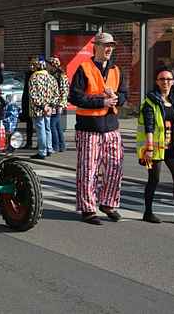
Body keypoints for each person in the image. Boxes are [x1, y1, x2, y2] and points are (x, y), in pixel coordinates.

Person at [69, 32, 127, 225]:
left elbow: (124, 94)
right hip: (88, 128)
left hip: (111, 126)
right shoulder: (84, 68)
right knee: (88, 169)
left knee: (115, 167)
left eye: (111, 45)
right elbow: (75, 97)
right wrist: (102, 101)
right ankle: (88, 209)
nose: (109, 48)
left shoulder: (117, 70)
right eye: (105, 45)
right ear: (96, 47)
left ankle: (108, 203)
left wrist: (118, 98)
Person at [138, 67, 174, 225]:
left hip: (173, 147)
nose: (165, 82)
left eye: (169, 79)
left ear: (173, 82)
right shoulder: (150, 101)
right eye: (162, 79)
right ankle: (148, 212)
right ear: (157, 82)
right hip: (155, 147)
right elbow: (148, 126)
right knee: (154, 179)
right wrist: (148, 148)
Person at [28, 59, 57, 160]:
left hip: (37, 109)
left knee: (41, 130)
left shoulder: (34, 77)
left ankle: (42, 151)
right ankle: (49, 148)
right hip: (48, 109)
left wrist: (42, 106)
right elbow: (56, 94)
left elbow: (32, 94)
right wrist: (50, 106)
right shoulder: (51, 78)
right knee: (48, 128)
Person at [47, 57, 69, 153]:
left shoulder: (61, 76)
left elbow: (64, 91)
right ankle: (62, 145)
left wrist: (60, 105)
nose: (47, 66)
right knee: (57, 126)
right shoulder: (53, 75)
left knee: (52, 125)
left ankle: (55, 146)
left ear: (53, 65)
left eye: (49, 64)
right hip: (54, 103)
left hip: (57, 104)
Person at [21, 58, 37, 149]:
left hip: (34, 103)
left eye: (32, 65)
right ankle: (29, 142)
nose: (30, 66)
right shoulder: (28, 74)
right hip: (27, 101)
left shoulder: (36, 75)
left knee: (38, 125)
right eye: (30, 65)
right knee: (29, 124)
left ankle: (40, 144)